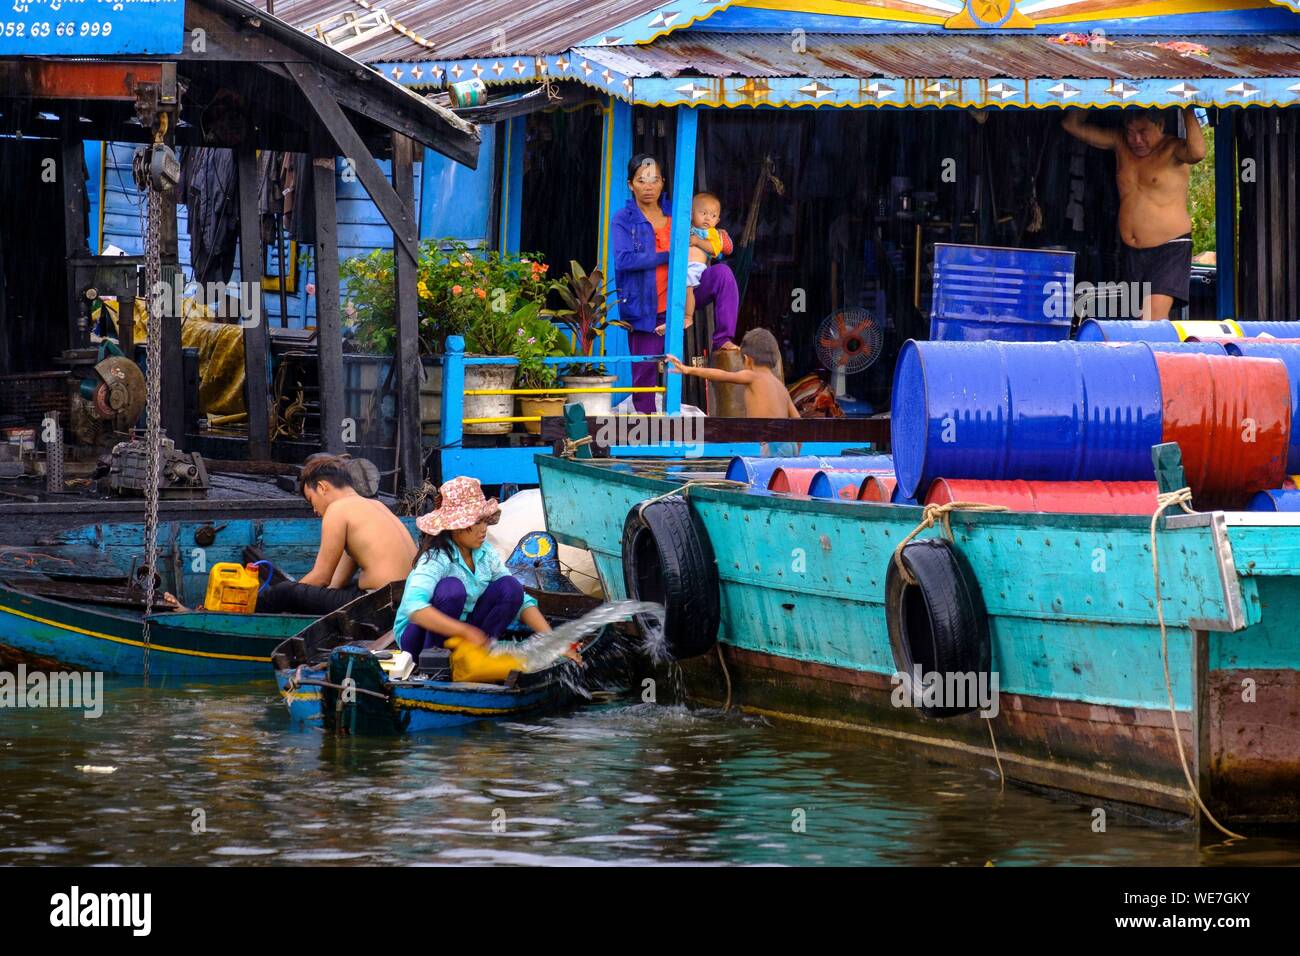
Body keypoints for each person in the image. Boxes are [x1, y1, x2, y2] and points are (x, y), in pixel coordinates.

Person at [611, 155, 740, 413]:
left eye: (655, 180)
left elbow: (710, 233)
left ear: (663, 183)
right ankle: (646, 432)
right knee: (645, 374)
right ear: (630, 184)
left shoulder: (677, 211)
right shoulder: (623, 219)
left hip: (683, 294)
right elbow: (624, 260)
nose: (649, 186)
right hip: (646, 306)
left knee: (723, 275)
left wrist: (721, 242)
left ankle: (723, 339)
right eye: (642, 180)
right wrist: (669, 254)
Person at [1062, 106, 1207, 321]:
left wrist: (1187, 109)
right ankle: (1163, 353)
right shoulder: (1121, 144)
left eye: (1143, 132)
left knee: (1152, 317)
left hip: (1169, 248)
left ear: (1160, 125)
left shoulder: (1173, 149)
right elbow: (1071, 125)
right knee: (1139, 321)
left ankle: (1163, 354)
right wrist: (1091, 96)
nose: (1136, 140)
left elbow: (1197, 152)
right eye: (1130, 132)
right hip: (1132, 253)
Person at [394, 476, 555, 657]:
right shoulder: (436, 557)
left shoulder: (485, 553)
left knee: (511, 587)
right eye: (477, 522)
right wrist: (465, 631)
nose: (484, 528)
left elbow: (521, 601)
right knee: (451, 589)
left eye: (485, 521)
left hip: (462, 632)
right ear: (456, 527)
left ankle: (477, 654)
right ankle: (432, 662)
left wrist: (552, 640)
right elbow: (414, 608)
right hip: (418, 640)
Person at [255, 455, 416, 615]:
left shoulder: (337, 509)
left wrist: (293, 595)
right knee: (339, 588)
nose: (315, 511)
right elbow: (336, 583)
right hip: (407, 598)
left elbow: (321, 577)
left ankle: (240, 615)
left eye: (311, 500)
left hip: (378, 603)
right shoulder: (375, 505)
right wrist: (312, 597)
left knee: (283, 591)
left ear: (322, 487)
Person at [665, 328, 801, 456]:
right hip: (789, 443)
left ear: (748, 360)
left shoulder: (752, 376)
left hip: (770, 444)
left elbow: (722, 375)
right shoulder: (781, 387)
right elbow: (798, 420)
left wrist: (688, 369)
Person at [687, 192, 739, 351]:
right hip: (666, 284)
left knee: (723, 272)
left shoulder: (713, 234)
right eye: (703, 213)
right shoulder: (679, 224)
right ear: (690, 213)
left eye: (713, 216)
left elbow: (723, 248)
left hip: (696, 278)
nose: (707, 218)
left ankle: (723, 339)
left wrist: (697, 241)